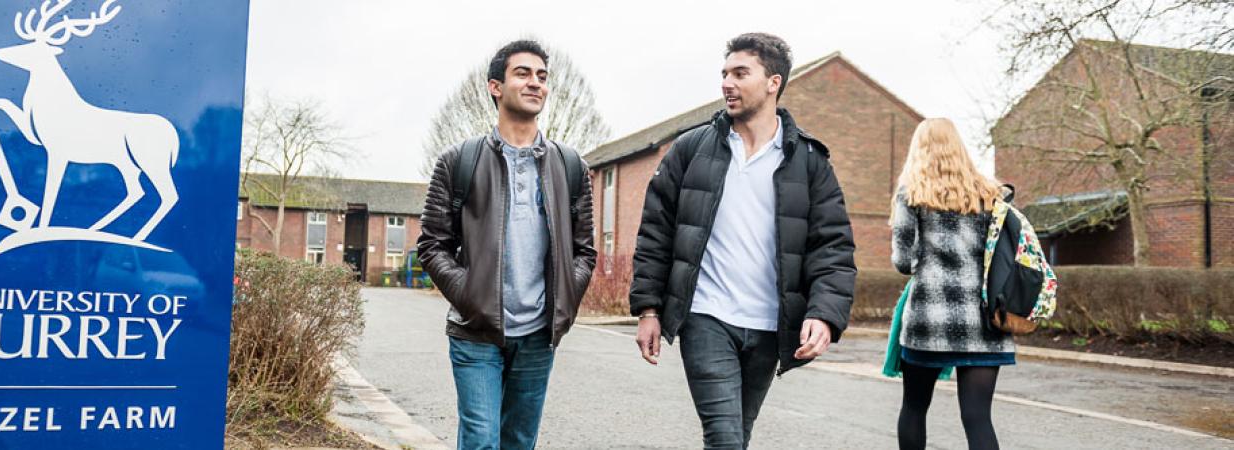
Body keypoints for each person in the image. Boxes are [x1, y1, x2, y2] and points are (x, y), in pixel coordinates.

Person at [628, 32, 856, 449]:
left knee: (738, 435)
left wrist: (824, 314)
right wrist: (648, 308)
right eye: (724, 73)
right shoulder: (691, 150)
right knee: (725, 437)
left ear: (773, 83)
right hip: (706, 317)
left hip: (770, 325)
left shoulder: (808, 161)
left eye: (740, 73)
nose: (727, 83)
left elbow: (833, 247)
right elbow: (655, 231)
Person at [416, 39, 596, 450]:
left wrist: (564, 301)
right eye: (523, 73)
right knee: (481, 441)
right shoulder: (458, 160)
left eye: (542, 77)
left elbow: (584, 250)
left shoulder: (570, 166)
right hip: (476, 331)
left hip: (539, 334)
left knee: (518, 441)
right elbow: (431, 244)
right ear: (495, 87)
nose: (536, 83)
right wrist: (470, 296)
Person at [889, 118, 1014, 450]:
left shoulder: (911, 194)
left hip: (929, 320)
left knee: (915, 408)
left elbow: (903, 262)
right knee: (978, 418)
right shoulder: (993, 195)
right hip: (985, 320)